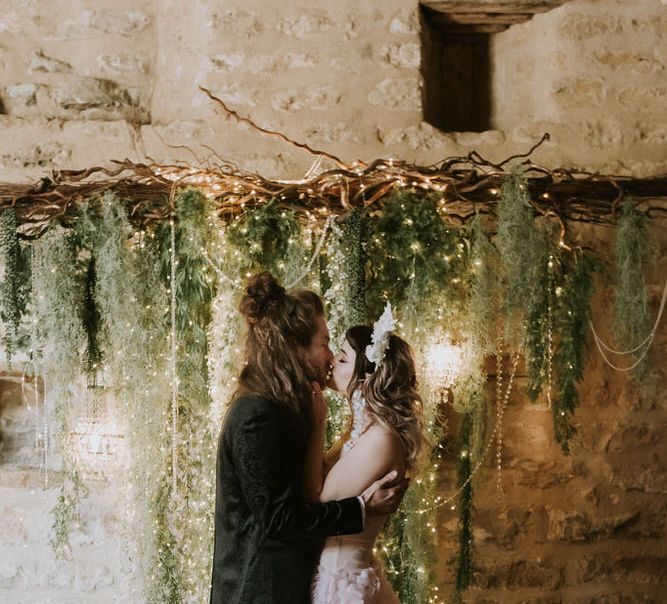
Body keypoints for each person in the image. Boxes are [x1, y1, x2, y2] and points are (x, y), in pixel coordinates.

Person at [210, 273, 409, 604]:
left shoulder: (285, 406)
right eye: (324, 343)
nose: (330, 357)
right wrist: (361, 508)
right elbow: (279, 519)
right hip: (263, 591)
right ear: (294, 347)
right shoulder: (259, 414)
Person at [305, 308, 426, 603]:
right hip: (327, 578)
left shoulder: (383, 439)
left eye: (343, 358)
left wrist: (317, 421)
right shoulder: (361, 431)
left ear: (366, 378)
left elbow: (318, 498)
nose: (332, 360)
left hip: (345, 590)